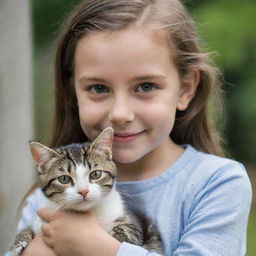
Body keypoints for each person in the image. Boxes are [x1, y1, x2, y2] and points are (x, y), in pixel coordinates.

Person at [6, 0, 252, 255]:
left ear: (186, 88)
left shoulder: (216, 183)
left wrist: (100, 248)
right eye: (98, 88)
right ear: (73, 92)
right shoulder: (46, 195)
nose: (120, 114)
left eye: (146, 86)